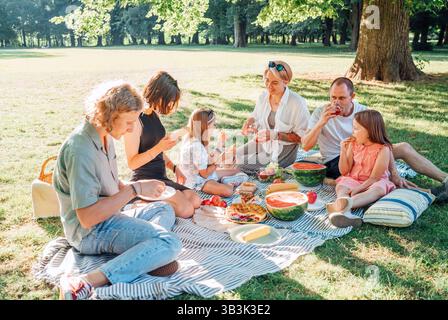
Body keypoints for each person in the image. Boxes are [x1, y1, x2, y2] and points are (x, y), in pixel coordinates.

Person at [53, 81, 182, 300]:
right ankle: (85, 281)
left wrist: (134, 190)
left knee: (164, 209)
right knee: (170, 242)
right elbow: (87, 218)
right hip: (89, 232)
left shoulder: (105, 135)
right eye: (129, 122)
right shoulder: (80, 150)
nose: (133, 128)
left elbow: (107, 183)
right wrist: (134, 189)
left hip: (110, 216)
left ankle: (145, 252)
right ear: (110, 115)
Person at [302, 77, 448, 203]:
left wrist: (394, 172)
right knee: (379, 176)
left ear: (352, 96)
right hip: (337, 160)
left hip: (365, 151)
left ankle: (445, 179)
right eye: (333, 97)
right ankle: (428, 193)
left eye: (342, 98)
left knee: (403, 147)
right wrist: (322, 122)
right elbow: (306, 146)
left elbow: (382, 143)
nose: (336, 103)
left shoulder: (363, 112)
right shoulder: (321, 112)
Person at [327, 110, 437, 228]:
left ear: (369, 131)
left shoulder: (383, 149)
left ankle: (346, 204)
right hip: (354, 179)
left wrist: (359, 188)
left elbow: (374, 178)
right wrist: (343, 150)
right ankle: (345, 212)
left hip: (374, 181)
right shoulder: (353, 144)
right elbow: (344, 171)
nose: (352, 132)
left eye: (356, 129)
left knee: (378, 190)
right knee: (342, 185)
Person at [124, 71, 201, 218]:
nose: (170, 105)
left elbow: (157, 149)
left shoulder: (154, 113)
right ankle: (139, 203)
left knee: (195, 200)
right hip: (145, 180)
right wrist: (159, 147)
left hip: (161, 176)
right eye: (169, 100)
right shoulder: (135, 119)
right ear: (157, 95)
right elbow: (132, 163)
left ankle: (162, 202)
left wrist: (174, 167)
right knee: (187, 210)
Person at [238, 60, 310, 173]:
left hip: (283, 151)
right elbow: (256, 117)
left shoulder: (297, 103)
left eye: (275, 83)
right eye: (267, 80)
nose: (269, 87)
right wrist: (250, 122)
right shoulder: (263, 97)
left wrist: (274, 135)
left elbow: (303, 138)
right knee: (231, 155)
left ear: (286, 81)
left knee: (239, 163)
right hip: (263, 145)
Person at [179, 108, 249, 197]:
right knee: (227, 191)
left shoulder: (193, 138)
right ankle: (229, 183)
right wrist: (218, 163)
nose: (214, 127)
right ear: (206, 126)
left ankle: (225, 179)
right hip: (196, 181)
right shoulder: (196, 146)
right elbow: (204, 174)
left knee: (237, 170)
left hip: (204, 174)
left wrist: (220, 145)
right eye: (213, 125)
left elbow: (208, 160)